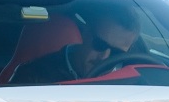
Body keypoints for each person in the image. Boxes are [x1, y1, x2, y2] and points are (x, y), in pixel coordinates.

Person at [10, 6, 140, 84]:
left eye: (117, 53)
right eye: (99, 44)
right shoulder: (33, 76)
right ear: (85, 33)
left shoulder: (135, 81)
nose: (104, 57)